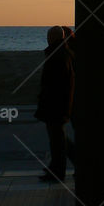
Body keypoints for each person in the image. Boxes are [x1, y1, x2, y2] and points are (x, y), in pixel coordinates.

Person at [35, 25, 74, 182]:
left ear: (52, 38)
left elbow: (54, 84)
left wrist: (45, 99)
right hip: (58, 103)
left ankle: (58, 170)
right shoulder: (63, 54)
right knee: (59, 137)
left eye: (49, 35)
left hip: (55, 104)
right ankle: (57, 166)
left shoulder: (57, 56)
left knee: (57, 139)